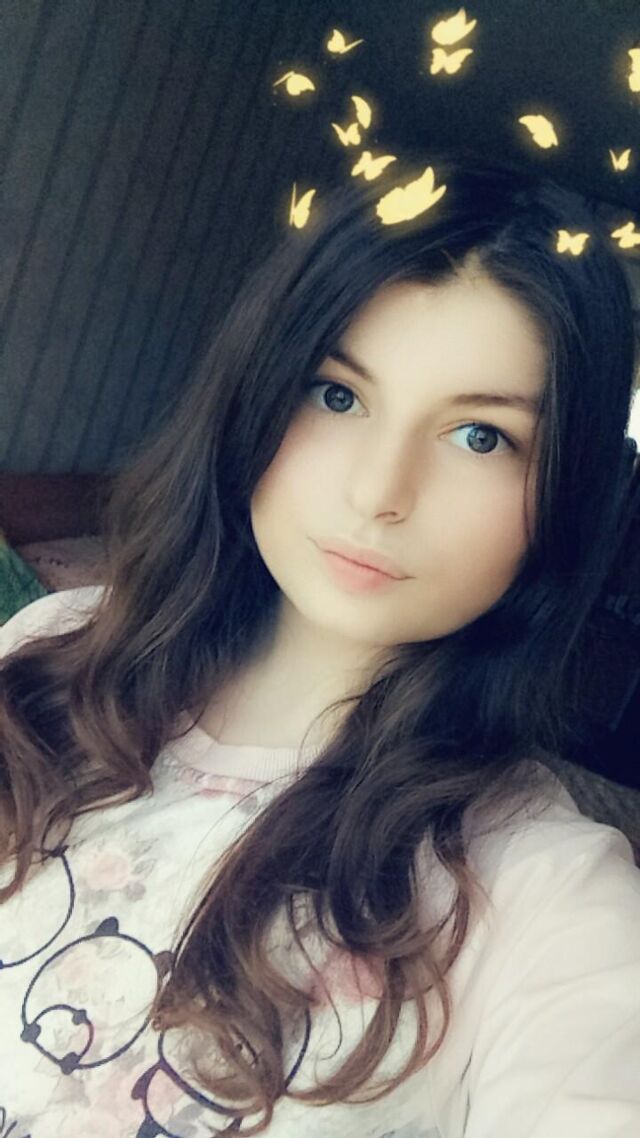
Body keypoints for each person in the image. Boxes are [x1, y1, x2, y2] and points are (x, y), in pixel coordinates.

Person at [1, 149, 639, 1137]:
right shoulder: (55, 650)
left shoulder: (546, 894)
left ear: (563, 494)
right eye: (337, 394)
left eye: (480, 436)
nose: (378, 491)